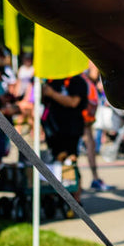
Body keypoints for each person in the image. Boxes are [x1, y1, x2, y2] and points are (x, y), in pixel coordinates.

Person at [41, 75, 90, 206]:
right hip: (53, 130)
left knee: (71, 161)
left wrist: (52, 94)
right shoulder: (52, 79)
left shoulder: (77, 81)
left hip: (71, 130)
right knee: (55, 161)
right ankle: (55, 194)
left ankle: (75, 197)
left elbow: (74, 102)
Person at [81, 63, 113, 192]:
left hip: (86, 116)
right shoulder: (85, 76)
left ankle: (93, 179)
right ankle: (93, 179)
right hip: (82, 116)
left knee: (90, 145)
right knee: (89, 145)